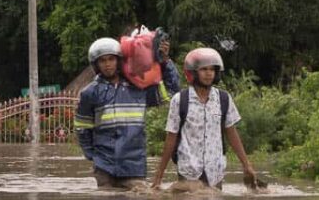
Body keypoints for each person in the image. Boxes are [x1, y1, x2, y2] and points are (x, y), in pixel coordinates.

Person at [76, 36, 179, 189]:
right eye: (102, 61)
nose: (107, 64)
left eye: (111, 59)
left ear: (119, 61)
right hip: (104, 166)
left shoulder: (138, 87)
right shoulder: (90, 93)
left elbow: (171, 92)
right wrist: (92, 155)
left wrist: (165, 61)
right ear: (96, 64)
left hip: (134, 164)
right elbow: (82, 127)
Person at [151, 47, 257, 191]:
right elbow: (171, 138)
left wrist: (246, 165)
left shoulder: (223, 99)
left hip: (215, 172)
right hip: (188, 170)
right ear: (193, 73)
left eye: (212, 70)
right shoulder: (180, 100)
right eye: (204, 69)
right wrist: (159, 175)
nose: (209, 74)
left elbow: (231, 132)